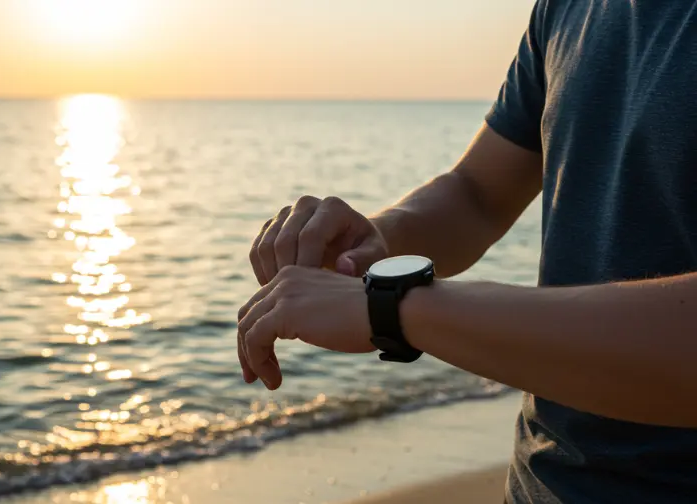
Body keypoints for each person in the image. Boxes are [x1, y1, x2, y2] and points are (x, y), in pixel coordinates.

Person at [236, 1, 697, 502]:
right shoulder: (568, 8)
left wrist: (392, 307)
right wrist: (374, 241)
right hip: (540, 483)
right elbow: (476, 193)